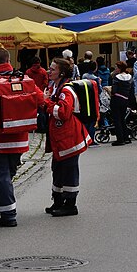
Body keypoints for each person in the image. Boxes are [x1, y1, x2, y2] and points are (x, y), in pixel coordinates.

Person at [0, 48, 44, 228]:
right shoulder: (24, 79)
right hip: (19, 137)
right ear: (9, 60)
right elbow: (40, 99)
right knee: (7, 174)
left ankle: (7, 214)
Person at [43, 58, 92, 216]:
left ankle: (70, 204)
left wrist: (46, 103)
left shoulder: (66, 90)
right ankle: (58, 200)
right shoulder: (56, 87)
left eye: (52, 69)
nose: (49, 71)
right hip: (61, 139)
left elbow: (63, 113)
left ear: (61, 73)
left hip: (69, 139)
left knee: (69, 170)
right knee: (57, 169)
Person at [109, 61, 133, 146]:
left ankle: (120, 139)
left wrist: (110, 91)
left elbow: (114, 90)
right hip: (125, 99)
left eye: (116, 67)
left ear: (119, 68)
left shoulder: (116, 77)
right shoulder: (130, 77)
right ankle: (126, 137)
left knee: (117, 119)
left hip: (117, 99)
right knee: (123, 119)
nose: (115, 69)